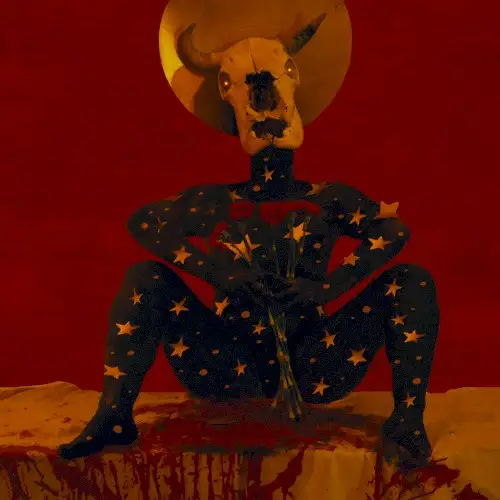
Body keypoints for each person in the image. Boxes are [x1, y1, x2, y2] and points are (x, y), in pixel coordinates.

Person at [57, 11, 439, 471]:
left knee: (412, 280)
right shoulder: (217, 201)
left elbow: (394, 230)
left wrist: (327, 287)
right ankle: (114, 413)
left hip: (314, 362)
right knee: (145, 278)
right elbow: (143, 222)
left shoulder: (328, 198)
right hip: (226, 363)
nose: (265, 105)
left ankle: (408, 419)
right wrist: (218, 272)